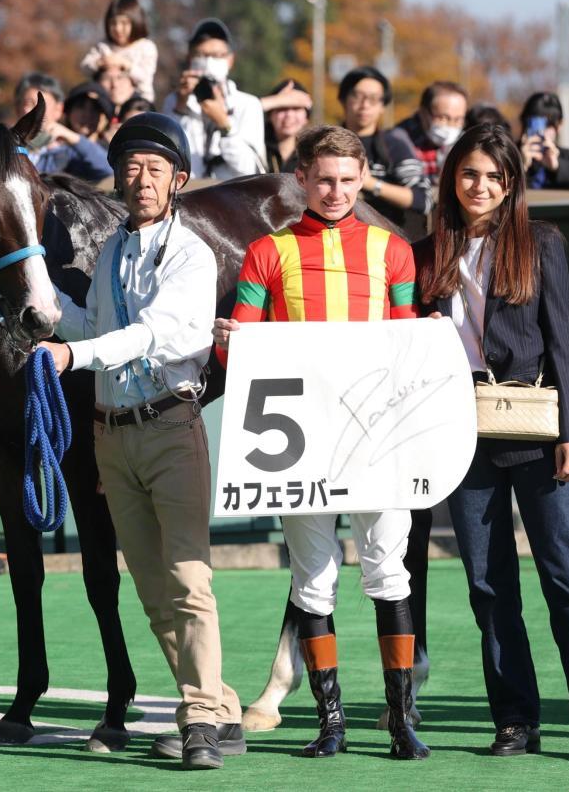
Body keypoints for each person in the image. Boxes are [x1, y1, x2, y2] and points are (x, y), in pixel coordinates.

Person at [413, 122, 569, 763]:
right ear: (452, 177)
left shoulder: (540, 244)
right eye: (470, 173)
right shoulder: (426, 253)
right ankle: (514, 717)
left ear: (512, 185)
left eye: (494, 176)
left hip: (536, 432)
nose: (480, 186)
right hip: (458, 433)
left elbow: (563, 340)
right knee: (487, 584)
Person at [213, 124, 429, 761]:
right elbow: (243, 348)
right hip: (300, 440)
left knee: (389, 574)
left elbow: (404, 341)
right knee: (313, 582)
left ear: (364, 179)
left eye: (346, 180)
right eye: (323, 179)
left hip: (376, 436)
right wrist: (228, 338)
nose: (335, 191)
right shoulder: (266, 252)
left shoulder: (394, 251)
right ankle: (329, 721)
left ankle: (400, 720)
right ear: (300, 179)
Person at [40, 113, 243, 770]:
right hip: (112, 436)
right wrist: (35, 300)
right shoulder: (111, 254)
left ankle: (203, 723)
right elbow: (90, 321)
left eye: (155, 168)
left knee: (188, 579)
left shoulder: (192, 254)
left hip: (170, 426)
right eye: (130, 166)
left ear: (178, 180)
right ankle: (221, 704)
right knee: (156, 596)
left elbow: (152, 335)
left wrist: (72, 355)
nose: (141, 178)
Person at [162, 18, 266, 179]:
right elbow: (167, 159)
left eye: (217, 55)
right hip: (189, 194)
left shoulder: (249, 104)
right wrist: (181, 106)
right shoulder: (174, 101)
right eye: (201, 55)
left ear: (230, 60)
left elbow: (249, 169)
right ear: (190, 58)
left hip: (230, 197)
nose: (209, 61)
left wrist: (224, 123)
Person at [339, 66, 431, 235]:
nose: (365, 105)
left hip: (385, 241)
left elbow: (422, 200)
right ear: (344, 99)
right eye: (358, 96)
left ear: (383, 106)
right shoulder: (325, 143)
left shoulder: (394, 144)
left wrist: (370, 183)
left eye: (374, 99)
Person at [12, 72, 113, 182]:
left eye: (43, 104)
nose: (36, 110)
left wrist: (73, 138)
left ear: (58, 109)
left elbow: (109, 170)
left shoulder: (67, 152)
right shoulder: (5, 144)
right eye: (29, 103)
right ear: (17, 107)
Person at [518, 92, 569, 190]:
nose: (540, 132)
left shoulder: (568, 157)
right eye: (533, 125)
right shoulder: (509, 154)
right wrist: (520, 166)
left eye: (547, 125)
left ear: (559, 125)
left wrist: (557, 166)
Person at [80, 0, 157, 102]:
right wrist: (100, 63)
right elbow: (85, 67)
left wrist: (125, 64)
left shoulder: (146, 47)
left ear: (135, 22)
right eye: (113, 23)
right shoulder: (103, 46)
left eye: (124, 23)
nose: (118, 28)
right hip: (105, 101)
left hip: (138, 102)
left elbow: (145, 77)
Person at [397, 80, 468, 184]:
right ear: (423, 113)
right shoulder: (399, 140)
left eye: (458, 120)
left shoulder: (464, 144)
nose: (451, 126)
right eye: (443, 118)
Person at [261, 79, 312, 173]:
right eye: (282, 108)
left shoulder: (312, 155)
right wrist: (271, 101)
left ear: (306, 118)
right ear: (270, 115)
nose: (289, 115)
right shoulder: (256, 148)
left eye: (296, 108)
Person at [65, 81, 116, 145]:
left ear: (106, 120)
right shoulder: (52, 147)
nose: (87, 115)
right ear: (69, 111)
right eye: (81, 106)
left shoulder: (110, 153)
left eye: (96, 109)